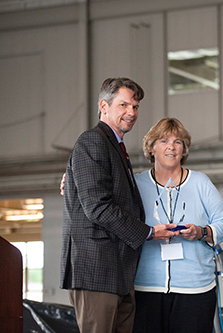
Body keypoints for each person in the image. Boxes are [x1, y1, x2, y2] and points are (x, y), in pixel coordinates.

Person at [60, 78, 179, 333]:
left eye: (135, 107)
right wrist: (148, 232)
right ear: (104, 106)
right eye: (123, 105)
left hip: (118, 273)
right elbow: (98, 207)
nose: (131, 112)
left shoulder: (115, 147)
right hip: (96, 271)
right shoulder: (92, 142)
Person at [132, 118, 223, 333]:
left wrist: (202, 232)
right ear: (151, 147)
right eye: (164, 141)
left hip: (195, 289)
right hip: (145, 286)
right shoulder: (135, 184)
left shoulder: (200, 182)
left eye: (178, 142)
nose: (171, 147)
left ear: (184, 149)